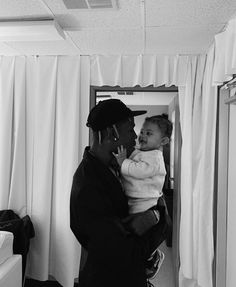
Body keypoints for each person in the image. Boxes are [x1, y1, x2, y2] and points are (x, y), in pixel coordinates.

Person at [70, 99, 169, 287]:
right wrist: (158, 218)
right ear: (110, 132)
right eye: (130, 129)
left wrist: (156, 214)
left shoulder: (114, 167)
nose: (135, 137)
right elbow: (122, 251)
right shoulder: (88, 186)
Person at [113, 114, 173, 279]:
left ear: (164, 142)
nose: (142, 135)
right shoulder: (141, 152)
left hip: (145, 203)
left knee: (139, 235)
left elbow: (139, 171)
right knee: (134, 235)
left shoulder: (155, 158)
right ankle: (148, 257)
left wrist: (122, 162)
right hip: (135, 200)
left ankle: (152, 257)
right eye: (142, 131)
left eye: (149, 133)